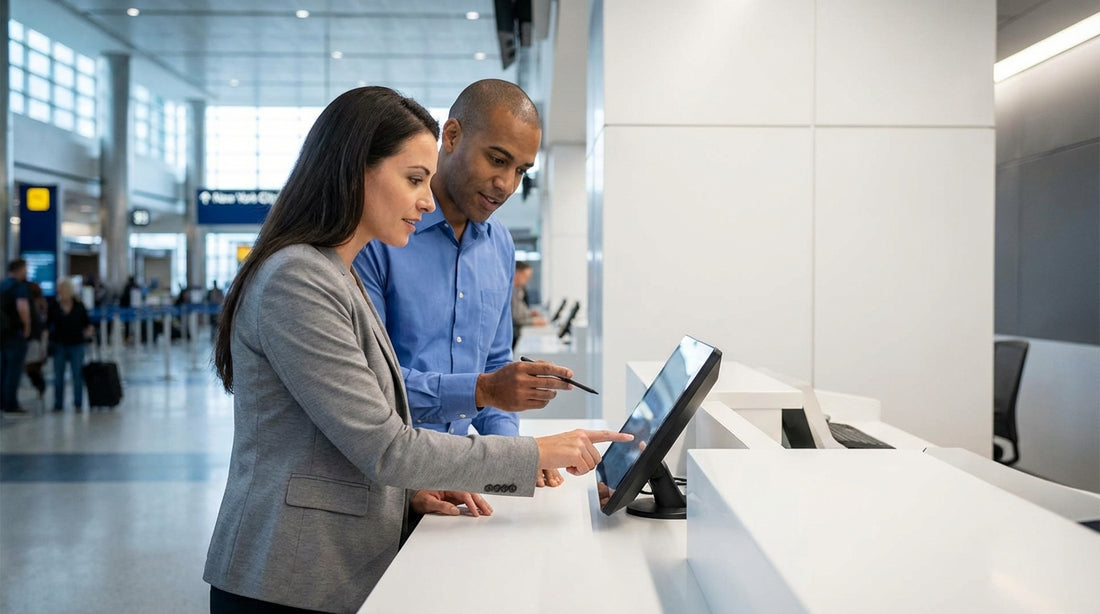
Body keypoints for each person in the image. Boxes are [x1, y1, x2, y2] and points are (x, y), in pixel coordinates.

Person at [203, 86, 630, 614]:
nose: (426, 200)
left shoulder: (333, 274)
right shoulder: (300, 280)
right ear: (354, 169)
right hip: (287, 573)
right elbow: (385, 443)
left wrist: (408, 494)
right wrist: (534, 454)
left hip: (348, 548)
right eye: (413, 180)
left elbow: (360, 423)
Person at [354, 79, 573, 488]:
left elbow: (494, 362)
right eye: (497, 160)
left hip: (462, 478)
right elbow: (371, 384)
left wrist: (513, 456)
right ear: (451, 136)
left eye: (521, 171)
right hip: (385, 482)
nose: (506, 184)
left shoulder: (500, 245)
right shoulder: (379, 237)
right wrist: (483, 390)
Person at [47, 277, 94, 412]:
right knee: (58, 376)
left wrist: (89, 332)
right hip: (59, 344)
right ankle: (58, 403)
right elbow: (48, 325)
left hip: (77, 344)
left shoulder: (79, 306)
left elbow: (86, 323)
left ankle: (78, 403)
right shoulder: (54, 306)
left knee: (77, 374)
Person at [1, 259, 32, 414]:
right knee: (14, 370)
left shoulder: (3, 285)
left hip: (3, 334)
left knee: (3, 369)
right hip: (15, 334)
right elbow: (23, 308)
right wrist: (27, 327)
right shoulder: (19, 287)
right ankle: (11, 403)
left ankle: (2, 401)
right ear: (19, 269)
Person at [23, 282, 49, 402]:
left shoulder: (34, 305)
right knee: (33, 367)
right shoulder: (39, 304)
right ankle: (40, 388)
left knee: (32, 367)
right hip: (36, 339)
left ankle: (40, 387)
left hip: (34, 339)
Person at [511, 260, 546, 349]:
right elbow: (516, 318)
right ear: (517, 273)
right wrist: (533, 321)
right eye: (526, 277)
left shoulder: (518, 290)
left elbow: (519, 311)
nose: (527, 280)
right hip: (513, 334)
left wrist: (529, 313)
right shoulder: (511, 291)